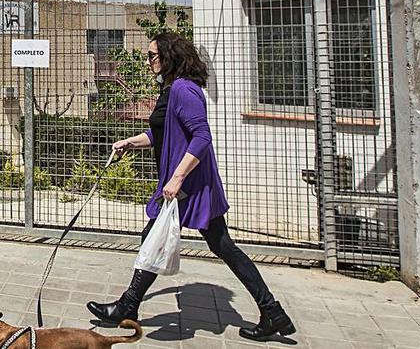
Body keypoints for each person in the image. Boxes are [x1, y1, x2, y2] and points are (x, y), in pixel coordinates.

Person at [86, 32, 296, 342]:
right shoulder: (171, 90)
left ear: (169, 57)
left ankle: (126, 307)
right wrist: (132, 142)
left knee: (156, 238)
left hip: (189, 186)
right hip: (187, 185)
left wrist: (178, 178)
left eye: (152, 56)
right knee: (220, 245)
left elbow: (201, 138)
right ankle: (273, 312)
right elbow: (164, 132)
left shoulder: (185, 90)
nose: (147, 62)